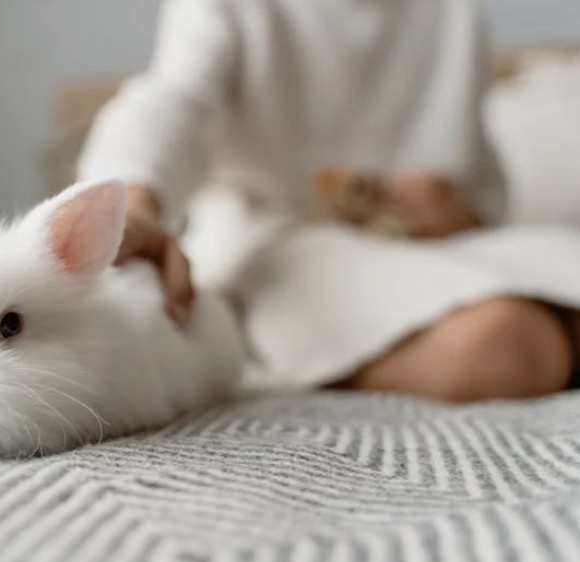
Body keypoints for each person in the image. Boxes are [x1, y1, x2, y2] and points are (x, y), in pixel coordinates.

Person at [76, 0, 580, 402]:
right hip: (276, 250)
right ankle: (279, 360)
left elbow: (485, 184)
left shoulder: (452, 11)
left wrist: (457, 207)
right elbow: (172, 104)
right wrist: (137, 206)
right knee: (505, 343)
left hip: (428, 248)